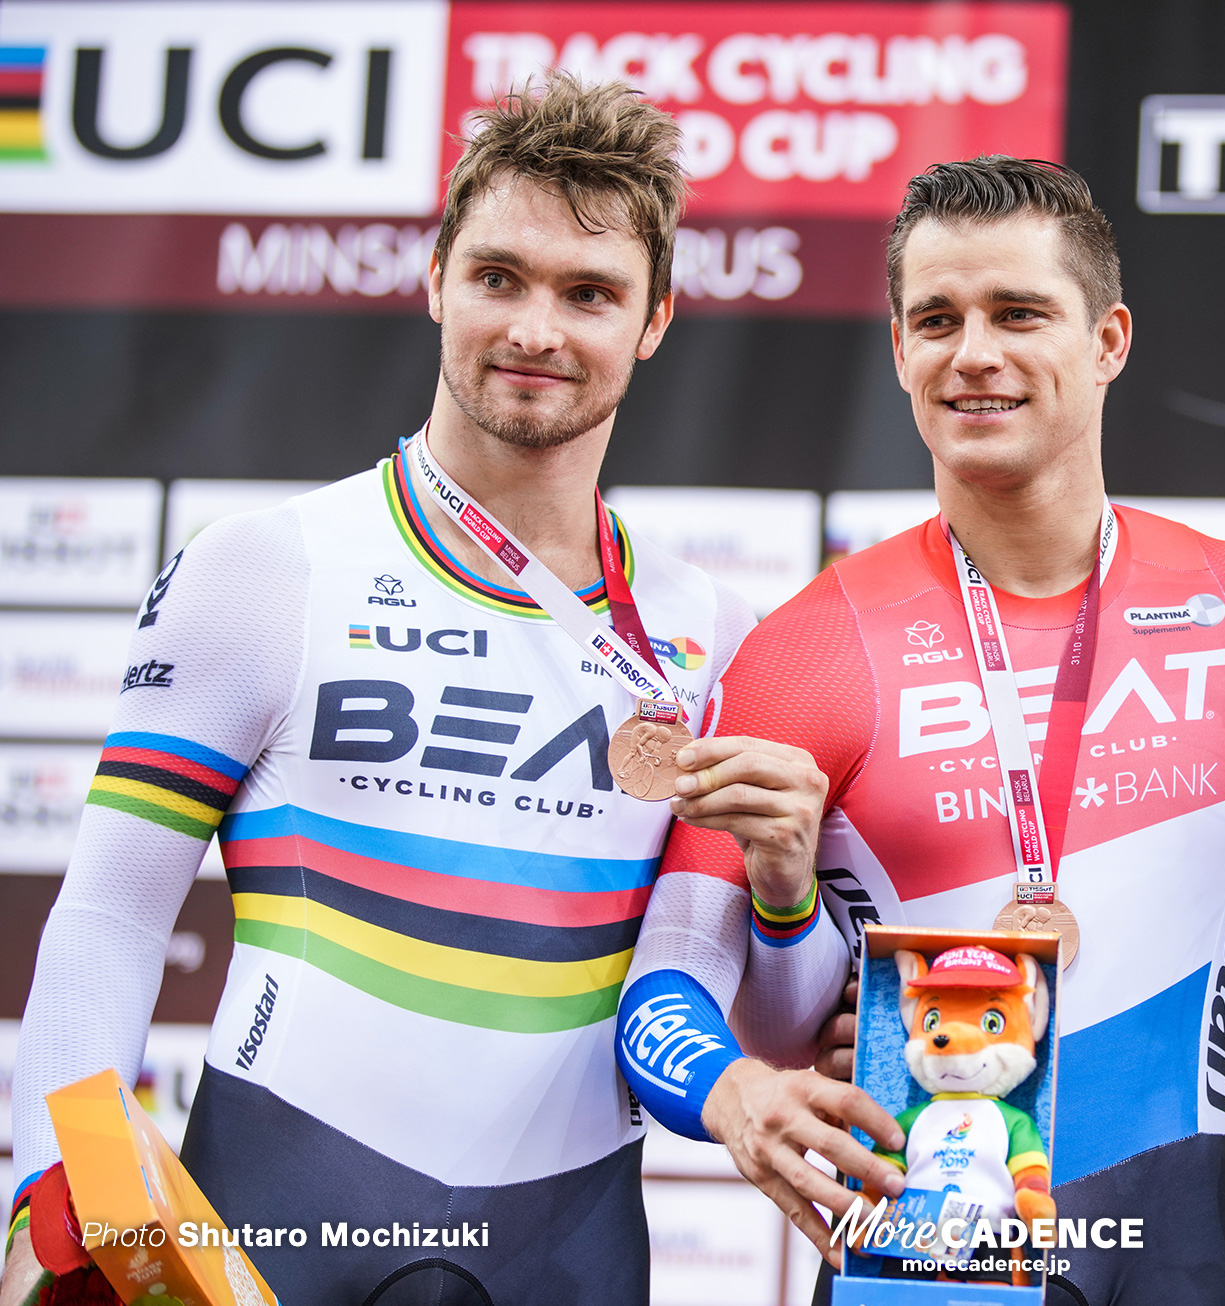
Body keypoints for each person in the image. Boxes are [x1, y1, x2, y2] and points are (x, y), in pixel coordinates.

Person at [2, 75, 860, 1305]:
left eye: (589, 294)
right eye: (499, 277)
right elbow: (109, 921)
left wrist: (785, 893)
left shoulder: (714, 637)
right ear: (435, 277)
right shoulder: (266, 570)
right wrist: (59, 1194)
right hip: (271, 1211)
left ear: (655, 319)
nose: (534, 330)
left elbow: (737, 1005)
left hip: (568, 1249)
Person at [658, 156, 1225, 1306]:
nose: (974, 353)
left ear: (1107, 341)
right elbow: (680, 989)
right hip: (917, 1251)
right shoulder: (806, 651)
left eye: (1018, 313)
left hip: (1178, 1241)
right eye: (937, 320)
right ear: (900, 349)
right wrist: (734, 1082)